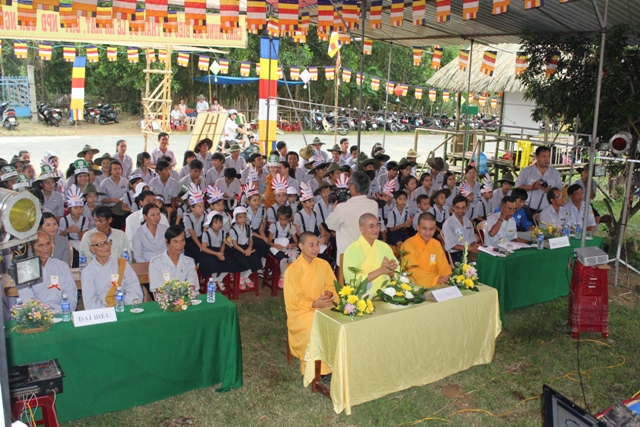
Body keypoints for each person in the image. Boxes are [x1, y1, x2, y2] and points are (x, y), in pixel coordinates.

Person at [284, 232, 337, 376]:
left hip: (325, 305)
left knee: (339, 323)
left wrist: (328, 295)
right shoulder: (292, 271)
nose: (315, 248)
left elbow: (332, 285)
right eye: (311, 245)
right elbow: (295, 298)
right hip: (302, 312)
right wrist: (313, 304)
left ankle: (335, 364)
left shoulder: (323, 264)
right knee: (314, 327)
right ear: (301, 246)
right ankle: (317, 371)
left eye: (317, 244)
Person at [325, 171, 379, 265]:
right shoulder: (374, 204)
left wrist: (334, 210)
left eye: (349, 184)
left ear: (353, 187)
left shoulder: (342, 208)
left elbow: (330, 225)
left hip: (348, 258)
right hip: (368, 256)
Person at [81, 232, 143, 310]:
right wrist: (109, 310)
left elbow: (134, 289)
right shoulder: (88, 272)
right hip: (103, 312)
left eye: (107, 242)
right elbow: (90, 303)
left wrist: (123, 304)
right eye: (101, 244)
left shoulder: (122, 264)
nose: (106, 246)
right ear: (92, 249)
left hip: (125, 307)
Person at [19, 231, 77, 312]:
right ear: (31, 248)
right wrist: (46, 313)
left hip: (61, 312)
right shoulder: (24, 270)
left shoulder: (62, 266)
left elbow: (70, 293)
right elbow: (27, 300)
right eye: (40, 245)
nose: (46, 248)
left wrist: (62, 309)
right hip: (38, 315)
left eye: (48, 243)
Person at [342, 213, 398, 295]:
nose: (376, 229)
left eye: (377, 225)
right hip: (362, 297)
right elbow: (352, 281)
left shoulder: (385, 247)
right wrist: (381, 270)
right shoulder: (352, 250)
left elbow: (397, 271)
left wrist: (392, 273)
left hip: (386, 294)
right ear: (361, 229)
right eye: (371, 226)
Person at [401, 212, 452, 287]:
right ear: (417, 227)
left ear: (435, 229)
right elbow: (412, 271)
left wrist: (446, 277)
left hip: (435, 285)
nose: (428, 232)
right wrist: (435, 279)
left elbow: (443, 266)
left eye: (431, 229)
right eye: (424, 228)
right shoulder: (408, 245)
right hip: (414, 287)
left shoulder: (436, 244)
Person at [515, 146, 562, 221]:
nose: (547, 159)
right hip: (528, 209)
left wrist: (550, 191)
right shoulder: (526, 171)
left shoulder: (555, 173)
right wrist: (531, 187)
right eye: (544, 156)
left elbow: (560, 191)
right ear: (536, 157)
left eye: (548, 156)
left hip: (547, 211)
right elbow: (517, 188)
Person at [149, 226, 199, 293]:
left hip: (186, 298)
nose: (180, 245)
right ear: (167, 242)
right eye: (175, 242)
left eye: (182, 240)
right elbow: (159, 290)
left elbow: (192, 286)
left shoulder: (189, 262)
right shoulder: (156, 262)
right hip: (166, 299)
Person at [229, 206, 262, 289]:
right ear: (236, 218)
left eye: (244, 217)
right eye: (240, 217)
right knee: (244, 262)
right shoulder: (233, 230)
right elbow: (235, 245)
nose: (243, 219)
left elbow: (251, 240)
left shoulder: (248, 227)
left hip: (247, 247)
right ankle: (240, 278)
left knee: (257, 261)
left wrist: (249, 248)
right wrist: (244, 252)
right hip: (237, 249)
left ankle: (246, 276)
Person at [268, 205, 299, 289]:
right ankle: (282, 276)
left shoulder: (291, 227)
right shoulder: (274, 226)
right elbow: (269, 241)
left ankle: (292, 277)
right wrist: (276, 245)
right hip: (275, 247)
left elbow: (296, 242)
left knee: (293, 258)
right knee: (284, 259)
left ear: (289, 219)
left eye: (284, 220)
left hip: (286, 247)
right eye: (280, 219)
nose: (282, 222)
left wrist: (292, 245)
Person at [442, 196, 478, 263]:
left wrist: (475, 247)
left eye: (463, 208)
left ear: (466, 208)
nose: (460, 211)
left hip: (468, 251)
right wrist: (471, 249)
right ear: (453, 207)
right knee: (480, 261)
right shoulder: (448, 223)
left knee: (485, 256)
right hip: (456, 254)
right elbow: (452, 245)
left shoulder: (468, 221)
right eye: (457, 207)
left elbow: (472, 239)